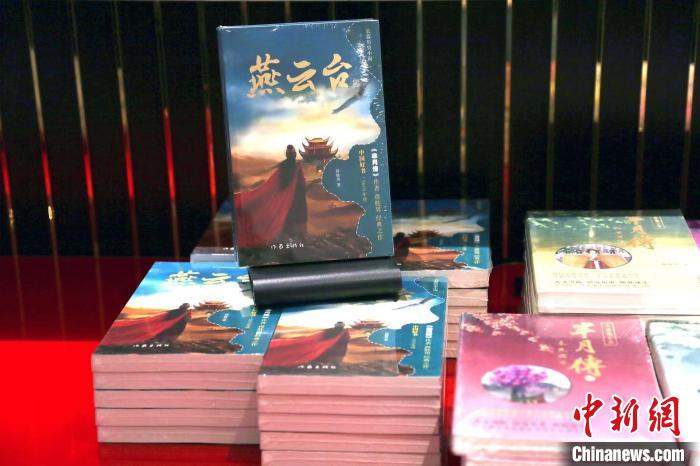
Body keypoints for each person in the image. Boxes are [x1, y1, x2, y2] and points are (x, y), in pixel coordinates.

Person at [234, 145, 308, 248]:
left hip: (289, 197)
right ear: (294, 154)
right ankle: (296, 237)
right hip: (296, 197)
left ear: (287, 154)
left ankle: (290, 237)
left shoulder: (285, 165)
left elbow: (275, 181)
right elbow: (301, 182)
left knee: (286, 217)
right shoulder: (296, 166)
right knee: (293, 217)